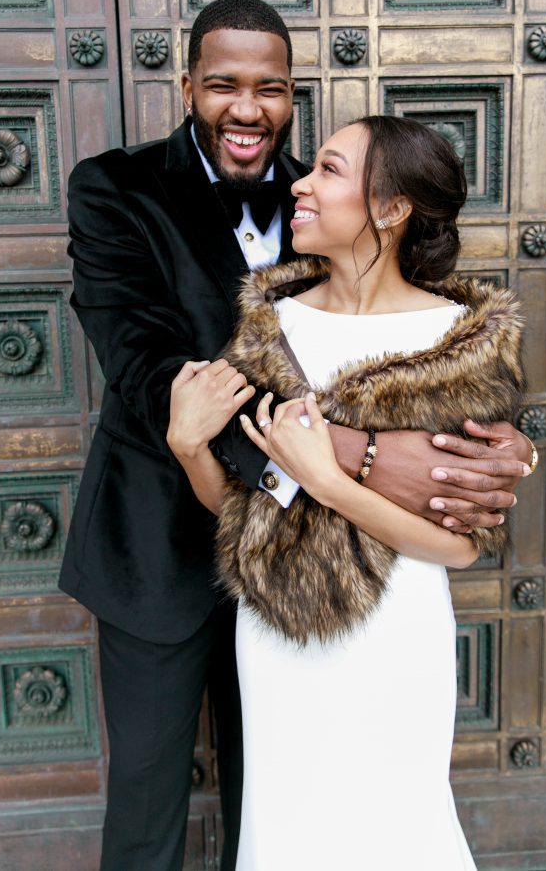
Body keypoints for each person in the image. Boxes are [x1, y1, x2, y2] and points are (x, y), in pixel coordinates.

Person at [59, 0, 534, 871]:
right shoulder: (115, 187)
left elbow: (405, 350)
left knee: (276, 799)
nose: (248, 111)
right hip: (157, 547)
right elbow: (147, 362)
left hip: (316, 573)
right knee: (148, 801)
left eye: (270, 89)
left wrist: (484, 448)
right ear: (189, 84)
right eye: (225, 86)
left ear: (291, 94)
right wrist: (350, 459)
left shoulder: (325, 196)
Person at [167, 114, 526, 870]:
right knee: (288, 829)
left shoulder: (459, 341)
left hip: (395, 632)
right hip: (274, 634)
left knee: (398, 828)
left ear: (391, 209)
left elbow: (459, 548)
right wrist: (189, 445)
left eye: (328, 170)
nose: (299, 182)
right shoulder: (270, 325)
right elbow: (242, 507)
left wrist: (329, 479)